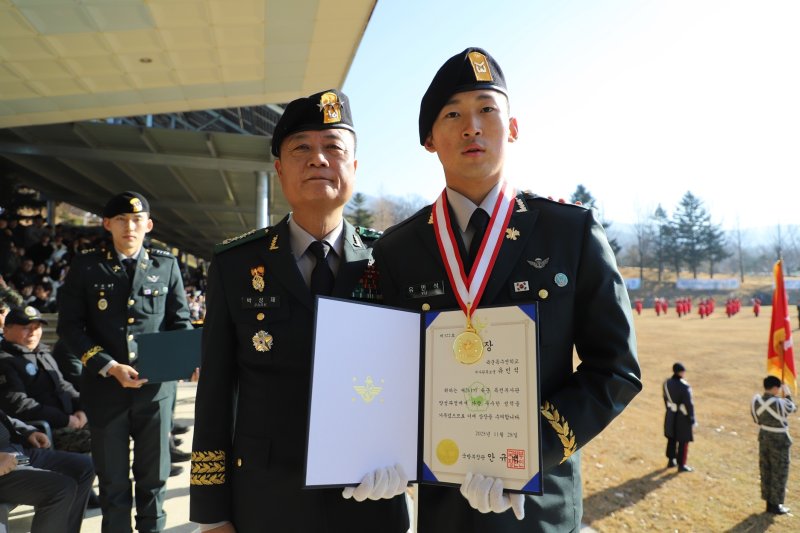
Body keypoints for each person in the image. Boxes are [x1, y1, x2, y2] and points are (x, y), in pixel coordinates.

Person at [371, 47, 641, 532]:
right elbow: (389, 374)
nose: (472, 127)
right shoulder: (397, 250)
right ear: (429, 139)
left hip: (539, 505)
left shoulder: (570, 231)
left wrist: (531, 452)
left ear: (512, 128)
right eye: (453, 114)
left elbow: (615, 368)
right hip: (446, 509)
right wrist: (377, 451)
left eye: (487, 109)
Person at [190, 89, 408, 532]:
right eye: (301, 148)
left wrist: (412, 460)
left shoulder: (392, 261)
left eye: (333, 147)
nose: (318, 159)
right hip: (267, 500)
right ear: (279, 170)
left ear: (354, 167)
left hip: (370, 498)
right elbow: (215, 392)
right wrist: (212, 515)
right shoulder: (236, 265)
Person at [58, 191, 194, 532]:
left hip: (155, 391)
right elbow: (70, 327)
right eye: (121, 220)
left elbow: (180, 322)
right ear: (107, 224)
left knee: (154, 480)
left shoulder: (166, 265)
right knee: (113, 483)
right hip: (105, 390)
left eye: (136, 220)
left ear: (149, 225)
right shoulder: (87, 265)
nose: (129, 227)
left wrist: (185, 359)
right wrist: (108, 365)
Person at [0, 306, 90, 453]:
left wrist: (81, 409)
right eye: (26, 327)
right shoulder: (4, 361)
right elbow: (19, 405)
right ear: (6, 330)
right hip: (41, 431)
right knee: (100, 440)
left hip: (69, 421)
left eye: (37, 327)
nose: (33, 332)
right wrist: (66, 420)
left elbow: (64, 386)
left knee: (111, 426)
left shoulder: (43, 353)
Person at [0, 408, 93, 533]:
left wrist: (28, 431)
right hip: (3, 468)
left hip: (17, 454)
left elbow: (4, 418)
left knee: (84, 467)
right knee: (61, 488)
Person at [751, 375, 796, 514]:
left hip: (764, 437)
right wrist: (787, 393)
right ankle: (776, 504)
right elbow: (792, 408)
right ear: (776, 388)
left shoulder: (756, 401)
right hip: (779, 440)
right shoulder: (780, 403)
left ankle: (768, 502)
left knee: (766, 470)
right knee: (779, 472)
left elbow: (756, 419)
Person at [663, 362, 695, 472]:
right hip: (682, 416)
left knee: (671, 438)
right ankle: (682, 464)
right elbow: (689, 404)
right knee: (683, 440)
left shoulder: (666, 383)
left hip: (670, 413)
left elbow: (665, 398)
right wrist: (691, 418)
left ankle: (671, 460)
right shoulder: (684, 386)